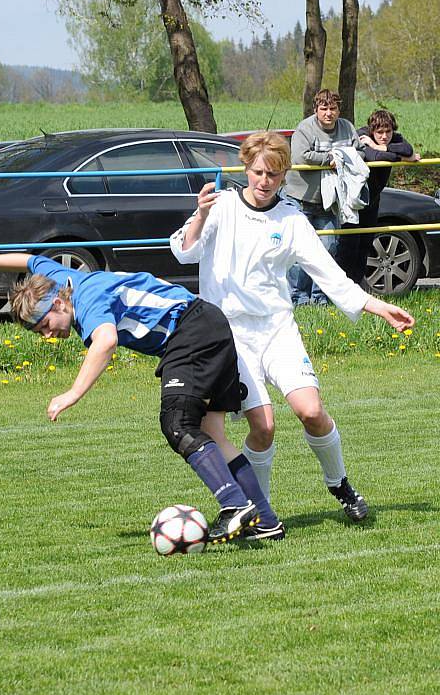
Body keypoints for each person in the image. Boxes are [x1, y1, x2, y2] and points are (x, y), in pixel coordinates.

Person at [0, 236, 284, 546]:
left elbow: (106, 342)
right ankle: (266, 521)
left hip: (191, 331)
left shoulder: (86, 301)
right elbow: (29, 259)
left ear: (58, 305)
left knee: (177, 424)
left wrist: (72, 393)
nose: (47, 336)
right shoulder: (60, 281)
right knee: (211, 434)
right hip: (209, 322)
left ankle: (234, 504)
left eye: (45, 326)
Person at [169, 131, 415, 538]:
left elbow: (331, 277)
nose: (264, 181)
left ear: (284, 177)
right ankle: (259, 514)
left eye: (273, 174)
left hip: (277, 329)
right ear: (246, 169)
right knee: (263, 427)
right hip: (230, 336)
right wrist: (199, 215)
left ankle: (339, 483)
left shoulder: (292, 220)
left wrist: (378, 307)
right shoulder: (221, 206)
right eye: (258, 172)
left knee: (312, 412)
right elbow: (183, 251)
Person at [285, 89, 366, 305]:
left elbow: (361, 152)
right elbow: (301, 156)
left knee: (328, 249)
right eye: (324, 109)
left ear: (339, 109)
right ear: (316, 110)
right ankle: (297, 297)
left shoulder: (347, 128)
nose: (328, 113)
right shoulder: (305, 129)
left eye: (333, 108)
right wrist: (330, 159)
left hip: (331, 201)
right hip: (301, 198)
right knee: (298, 252)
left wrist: (343, 157)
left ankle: (320, 297)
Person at [336, 108, 420, 284]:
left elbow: (407, 148)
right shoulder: (361, 135)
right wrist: (403, 158)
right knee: (349, 245)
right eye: (379, 132)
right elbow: (374, 157)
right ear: (371, 130)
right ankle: (342, 288)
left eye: (388, 131)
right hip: (354, 201)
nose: (384, 136)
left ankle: (357, 286)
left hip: (373, 200)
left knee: (365, 244)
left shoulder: (390, 140)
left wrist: (380, 147)